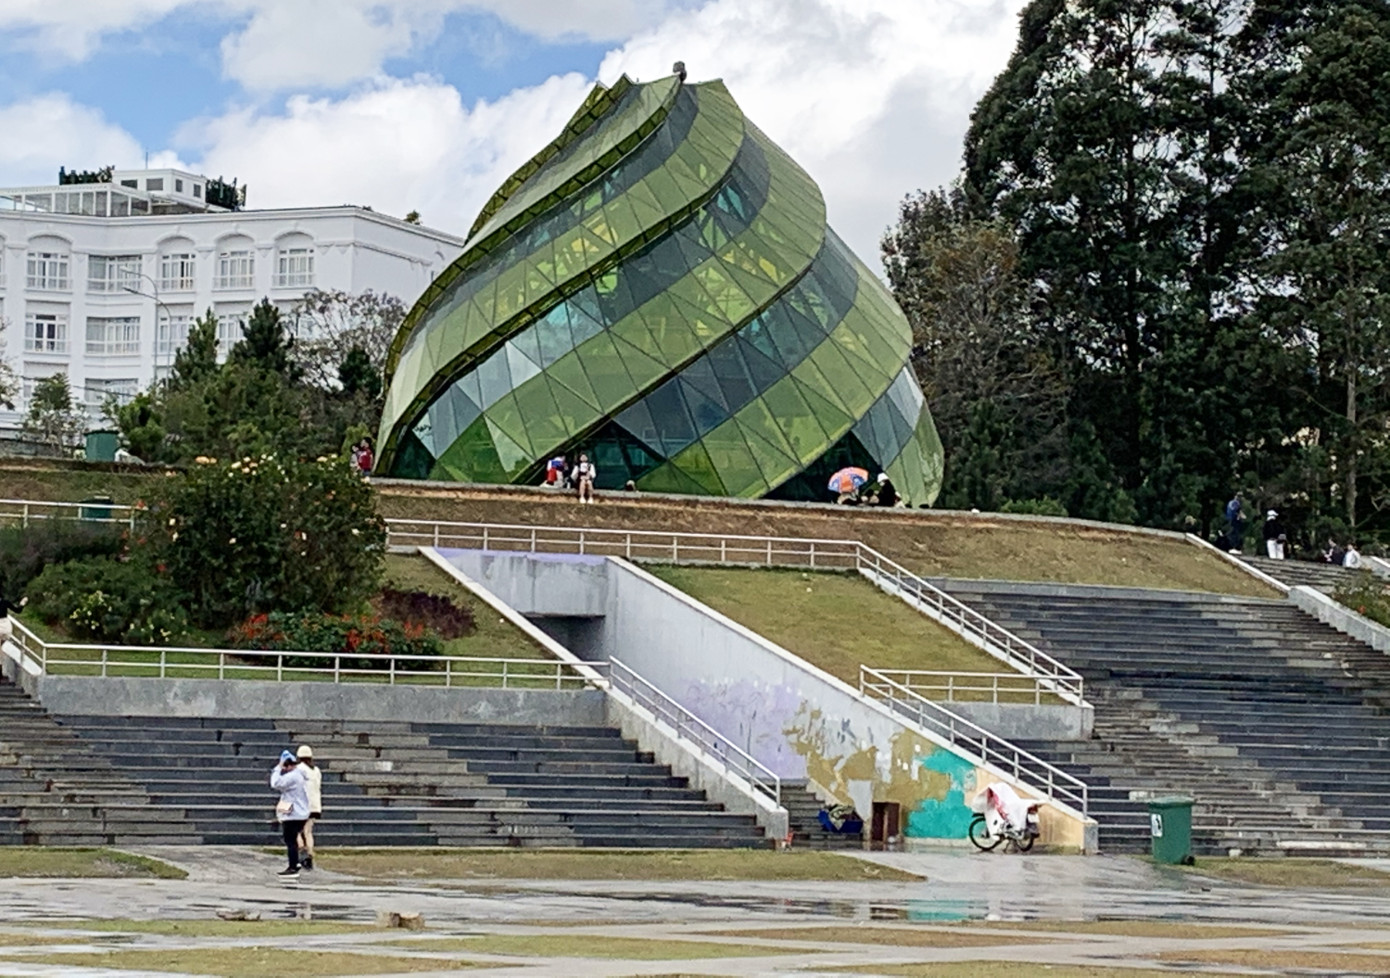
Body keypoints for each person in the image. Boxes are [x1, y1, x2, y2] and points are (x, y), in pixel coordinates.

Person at [270, 749, 311, 877]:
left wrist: (277, 768)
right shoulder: (298, 774)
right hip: (297, 811)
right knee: (292, 839)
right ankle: (296, 861)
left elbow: (275, 783)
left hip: (293, 813)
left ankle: (293, 865)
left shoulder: (293, 776)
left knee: (290, 840)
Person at [295, 744, 322, 871]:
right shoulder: (316, 770)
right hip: (315, 805)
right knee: (308, 831)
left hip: (302, 804)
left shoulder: (298, 769)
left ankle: (302, 850)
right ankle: (310, 854)